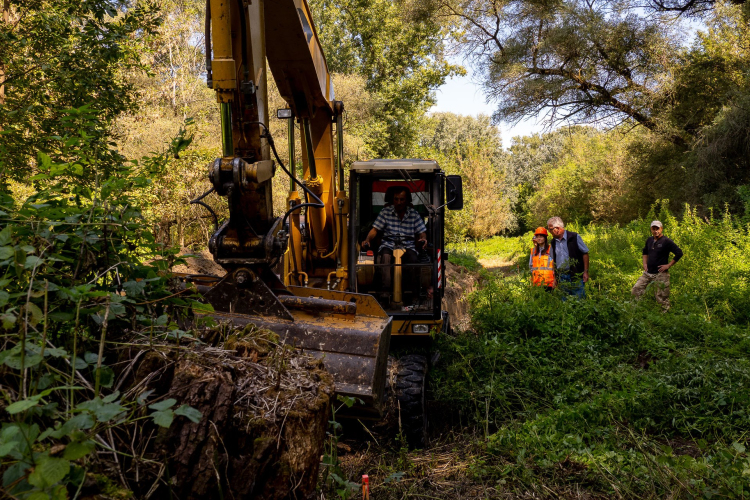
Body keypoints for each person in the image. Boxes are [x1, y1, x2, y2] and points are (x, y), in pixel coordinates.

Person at [362, 187, 427, 305]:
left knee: (413, 259)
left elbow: (421, 231)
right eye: (396, 199)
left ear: (407, 201)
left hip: (408, 246)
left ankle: (413, 294)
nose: (399, 202)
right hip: (389, 244)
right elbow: (375, 230)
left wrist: (423, 238)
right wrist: (367, 239)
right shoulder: (385, 212)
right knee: (385, 256)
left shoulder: (413, 214)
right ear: (392, 200)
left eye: (402, 199)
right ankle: (385, 293)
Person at [631, 220, 683, 310]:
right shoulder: (649, 240)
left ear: (661, 229)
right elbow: (645, 252)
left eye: (657, 229)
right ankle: (634, 310)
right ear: (651, 229)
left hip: (661, 274)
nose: (655, 231)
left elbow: (679, 253)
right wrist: (644, 263)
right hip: (648, 272)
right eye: (653, 229)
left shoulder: (666, 241)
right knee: (636, 289)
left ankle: (665, 315)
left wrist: (668, 265)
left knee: (661, 297)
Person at [546, 216, 589, 298]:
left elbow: (585, 253)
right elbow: (553, 260)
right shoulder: (553, 242)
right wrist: (555, 278)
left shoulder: (574, 237)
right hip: (562, 277)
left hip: (576, 275)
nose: (549, 232)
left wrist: (586, 271)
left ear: (557, 229)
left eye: (550, 229)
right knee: (565, 302)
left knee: (579, 301)